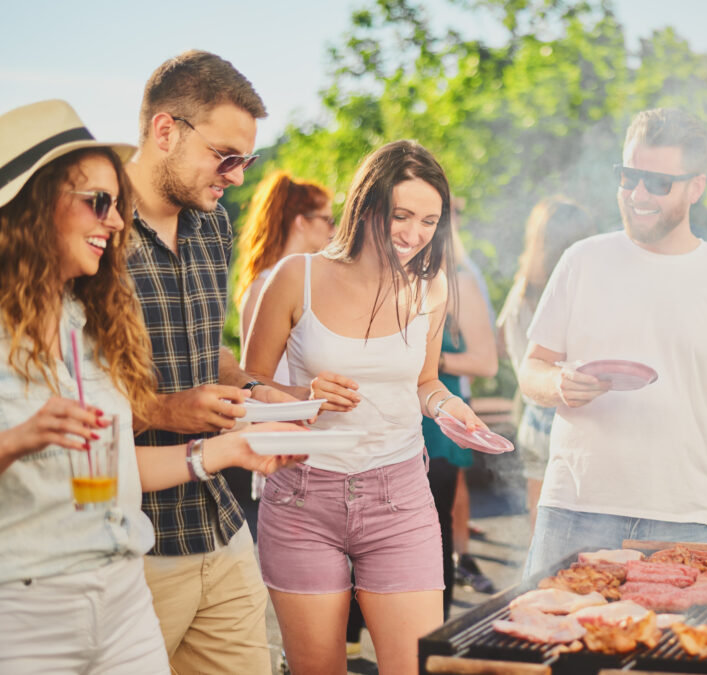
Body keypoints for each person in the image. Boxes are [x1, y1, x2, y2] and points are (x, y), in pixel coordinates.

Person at [0, 99, 299, 673]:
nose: (114, 222)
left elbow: (114, 468)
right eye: (97, 203)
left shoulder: (88, 323)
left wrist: (232, 445)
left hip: (122, 590)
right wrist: (19, 440)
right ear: (32, 204)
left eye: (115, 205)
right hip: (27, 606)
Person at [243, 139, 487, 675]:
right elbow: (251, 385)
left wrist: (450, 409)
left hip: (398, 496)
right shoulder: (296, 276)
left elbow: (425, 383)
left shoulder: (433, 288)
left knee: (412, 667)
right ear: (366, 204)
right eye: (401, 215)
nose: (414, 234)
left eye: (429, 220)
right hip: (303, 497)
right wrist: (300, 399)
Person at [518, 108, 707, 578]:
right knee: (543, 646)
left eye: (658, 183)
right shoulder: (582, 260)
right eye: (628, 177)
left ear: (696, 187)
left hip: (678, 516)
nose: (637, 195)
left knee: (662, 651)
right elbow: (531, 369)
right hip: (574, 506)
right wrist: (557, 384)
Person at [123, 51, 296, 674]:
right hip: (130, 545)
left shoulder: (212, 224)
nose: (238, 177)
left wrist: (257, 387)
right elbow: (65, 402)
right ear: (165, 130)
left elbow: (205, 347)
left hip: (218, 526)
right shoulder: (94, 232)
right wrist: (170, 409)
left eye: (245, 159)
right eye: (226, 157)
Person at [497, 196, 597, 532]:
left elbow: (503, 344)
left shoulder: (520, 291)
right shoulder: (575, 290)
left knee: (542, 528)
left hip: (533, 419)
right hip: (570, 417)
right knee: (586, 530)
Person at [234, 170, 334, 501]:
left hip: (306, 435)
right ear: (301, 222)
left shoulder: (304, 283)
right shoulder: (265, 286)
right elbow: (253, 376)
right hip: (286, 441)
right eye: (327, 220)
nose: (333, 230)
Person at [422, 222, 498, 618]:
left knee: (436, 533)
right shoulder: (378, 276)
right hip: (383, 425)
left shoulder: (458, 280)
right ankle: (351, 633)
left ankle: (435, 637)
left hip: (436, 426)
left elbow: (486, 361)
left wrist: (430, 362)